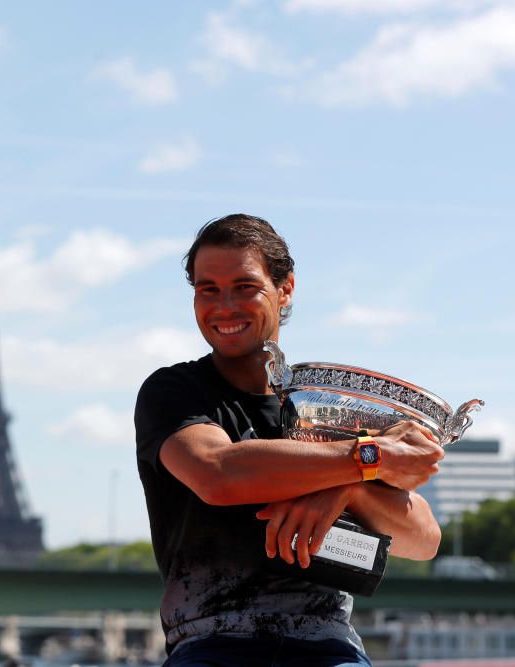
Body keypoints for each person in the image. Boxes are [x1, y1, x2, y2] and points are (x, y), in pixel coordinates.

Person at [134, 214, 443, 666]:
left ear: (286, 289)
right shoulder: (173, 392)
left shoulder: (326, 410)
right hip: (215, 645)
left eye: (245, 287)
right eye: (208, 290)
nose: (224, 306)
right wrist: (364, 459)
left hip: (327, 646)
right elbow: (217, 472)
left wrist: (348, 487)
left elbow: (424, 539)